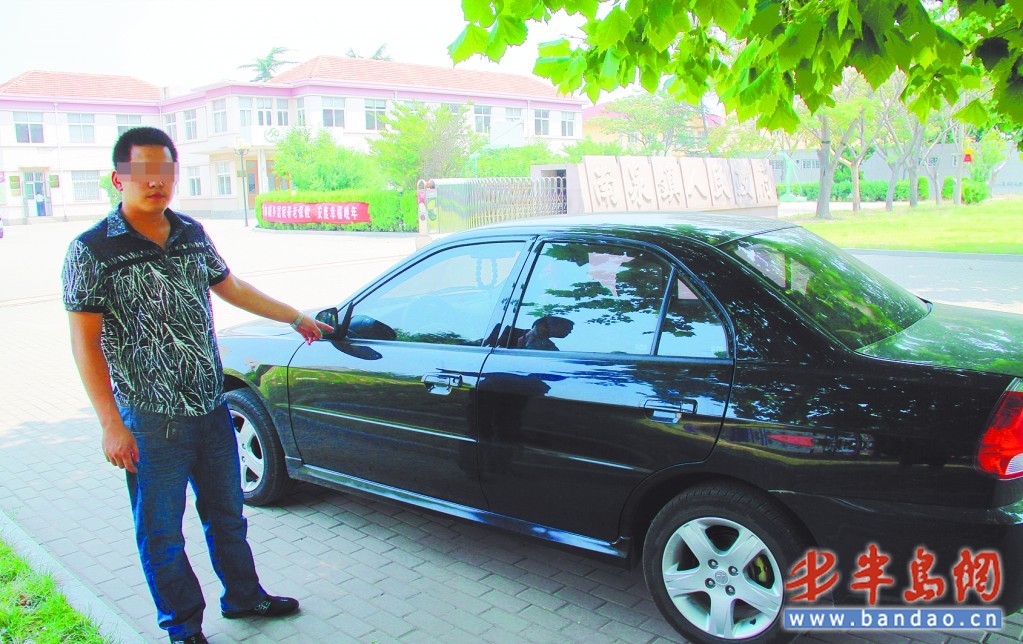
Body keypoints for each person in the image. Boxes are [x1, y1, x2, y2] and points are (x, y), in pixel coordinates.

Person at [61, 127, 332, 644]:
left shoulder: (190, 231)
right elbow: (85, 344)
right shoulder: (91, 250)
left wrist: (295, 317)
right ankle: (183, 628)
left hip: (211, 409)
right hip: (150, 420)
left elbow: (232, 287)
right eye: (143, 172)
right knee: (162, 533)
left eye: (165, 171)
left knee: (228, 517)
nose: (156, 182)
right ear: (118, 179)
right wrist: (110, 423)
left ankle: (244, 596)